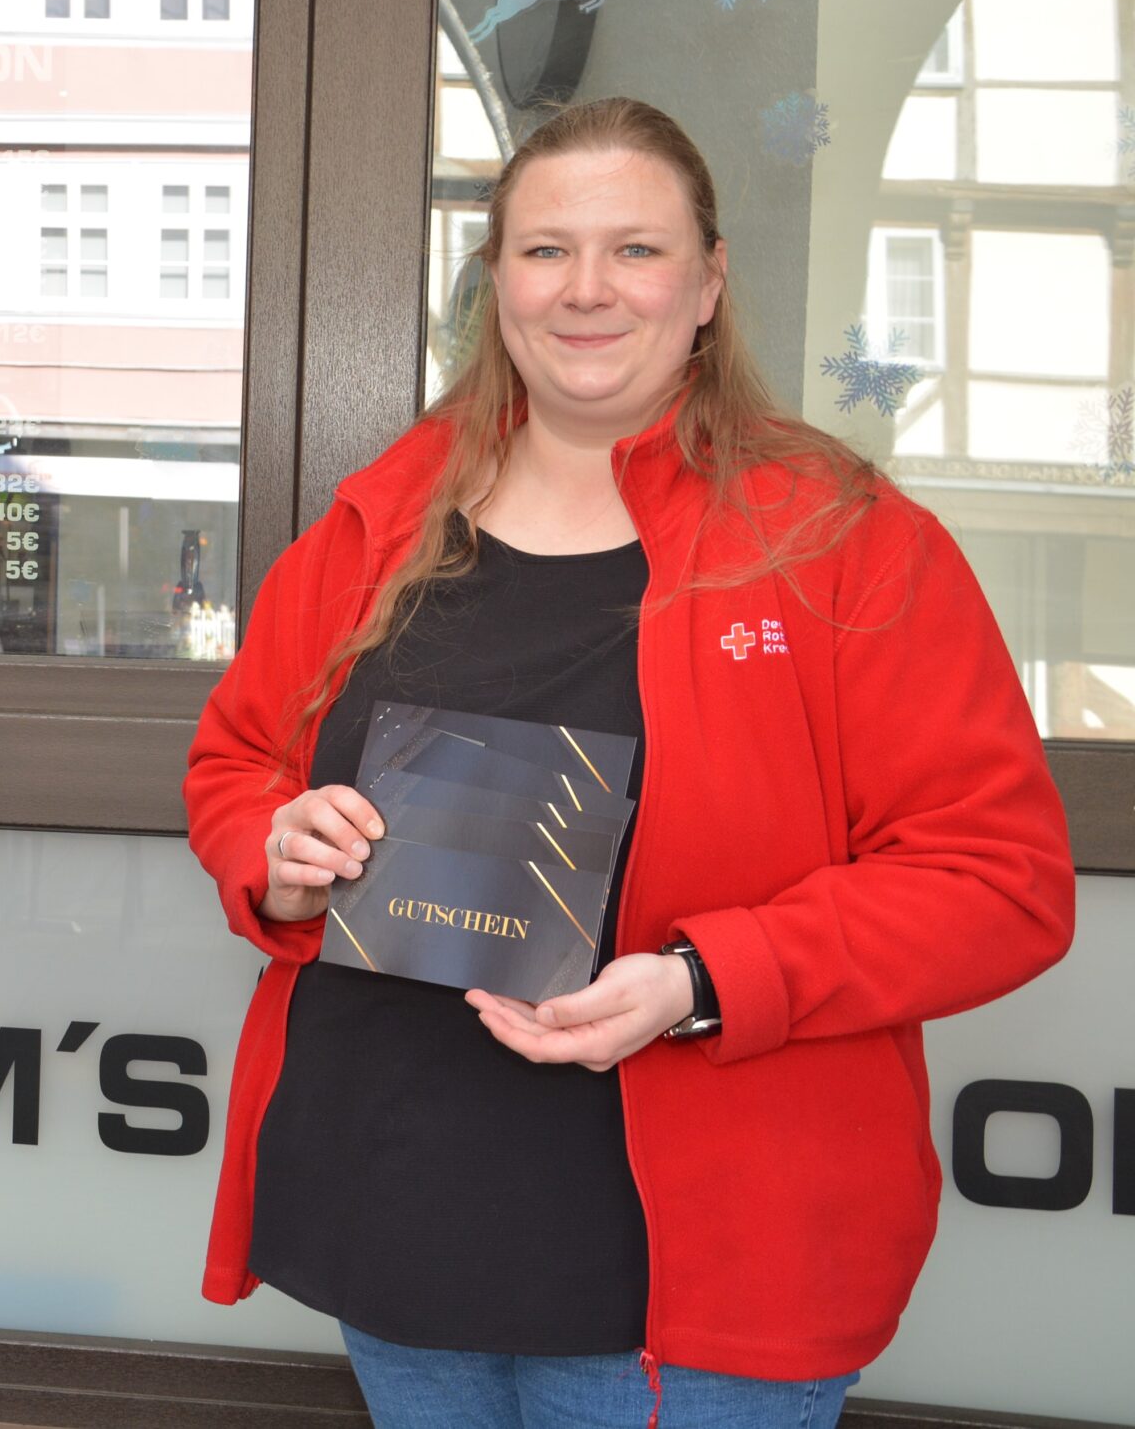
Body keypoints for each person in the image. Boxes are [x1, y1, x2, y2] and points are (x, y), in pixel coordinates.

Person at [184, 98, 1073, 1429]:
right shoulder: (383, 518)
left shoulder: (845, 541)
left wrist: (704, 981)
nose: (586, 290)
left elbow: (999, 882)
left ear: (709, 281)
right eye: (545, 252)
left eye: (635, 251)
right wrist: (278, 853)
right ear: (498, 285)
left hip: (698, 1285)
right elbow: (237, 765)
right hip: (395, 1219)